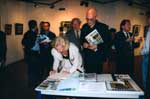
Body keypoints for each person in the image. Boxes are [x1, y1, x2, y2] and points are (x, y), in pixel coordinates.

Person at [80, 8, 110, 73]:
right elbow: (81, 39)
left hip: (98, 58)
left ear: (96, 17)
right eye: (87, 19)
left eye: (91, 19)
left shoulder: (103, 27)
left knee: (98, 77)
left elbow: (109, 43)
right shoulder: (84, 26)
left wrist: (97, 46)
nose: (89, 21)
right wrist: (83, 43)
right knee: (88, 76)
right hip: (87, 57)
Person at [22, 20, 41, 87]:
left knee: (31, 68)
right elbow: (24, 42)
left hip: (31, 53)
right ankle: (33, 83)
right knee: (34, 69)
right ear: (35, 26)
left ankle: (31, 83)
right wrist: (30, 47)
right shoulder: (31, 33)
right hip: (32, 53)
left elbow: (23, 42)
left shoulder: (28, 33)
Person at [141, 16, 150, 89]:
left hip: (147, 54)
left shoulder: (149, 30)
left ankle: (145, 89)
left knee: (145, 73)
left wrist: (142, 52)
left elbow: (147, 46)